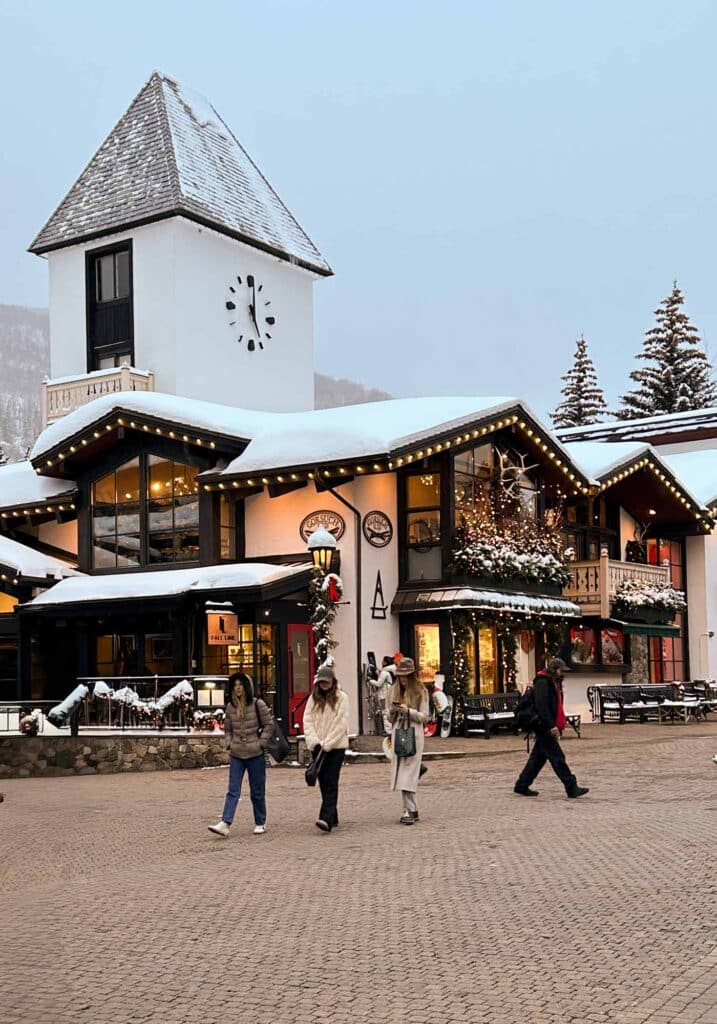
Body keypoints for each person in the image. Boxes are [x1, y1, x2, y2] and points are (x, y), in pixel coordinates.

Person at [208, 672, 273, 837]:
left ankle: (260, 822)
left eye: (241, 685)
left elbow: (268, 725)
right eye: (235, 685)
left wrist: (261, 743)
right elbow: (228, 729)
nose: (238, 688)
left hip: (255, 753)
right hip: (237, 754)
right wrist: (229, 742)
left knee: (257, 791)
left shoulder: (258, 704)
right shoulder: (230, 707)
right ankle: (225, 822)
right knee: (233, 789)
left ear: (246, 687)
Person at [514, 658, 589, 799]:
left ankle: (522, 785)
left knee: (538, 758)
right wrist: (551, 725)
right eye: (561, 670)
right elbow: (542, 707)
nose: (563, 674)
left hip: (545, 724)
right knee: (557, 757)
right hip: (543, 725)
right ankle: (571, 786)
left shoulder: (553, 682)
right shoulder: (543, 683)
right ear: (555, 669)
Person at [303, 664, 350, 833]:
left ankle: (325, 818)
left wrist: (328, 743)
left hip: (335, 747)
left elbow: (341, 723)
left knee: (331, 780)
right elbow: (307, 720)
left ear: (333, 682)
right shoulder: (313, 699)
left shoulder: (341, 698)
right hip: (318, 745)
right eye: (322, 682)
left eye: (327, 682)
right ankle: (333, 814)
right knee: (322, 780)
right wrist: (314, 741)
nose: (324, 685)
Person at [388, 656, 429, 825]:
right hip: (399, 733)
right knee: (402, 773)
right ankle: (412, 809)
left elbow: (424, 717)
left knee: (406, 775)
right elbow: (389, 718)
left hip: (414, 734)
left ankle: (409, 810)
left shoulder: (421, 692)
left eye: (406, 675)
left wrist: (409, 711)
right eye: (400, 675)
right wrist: (393, 712)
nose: (403, 679)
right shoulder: (394, 690)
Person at [370, 655, 395, 734]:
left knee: (385, 712)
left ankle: (388, 730)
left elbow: (379, 684)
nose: (381, 662)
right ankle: (391, 729)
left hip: (384, 694)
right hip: (390, 692)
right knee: (389, 711)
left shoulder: (384, 672)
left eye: (383, 661)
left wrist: (370, 680)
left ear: (385, 662)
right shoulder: (392, 670)